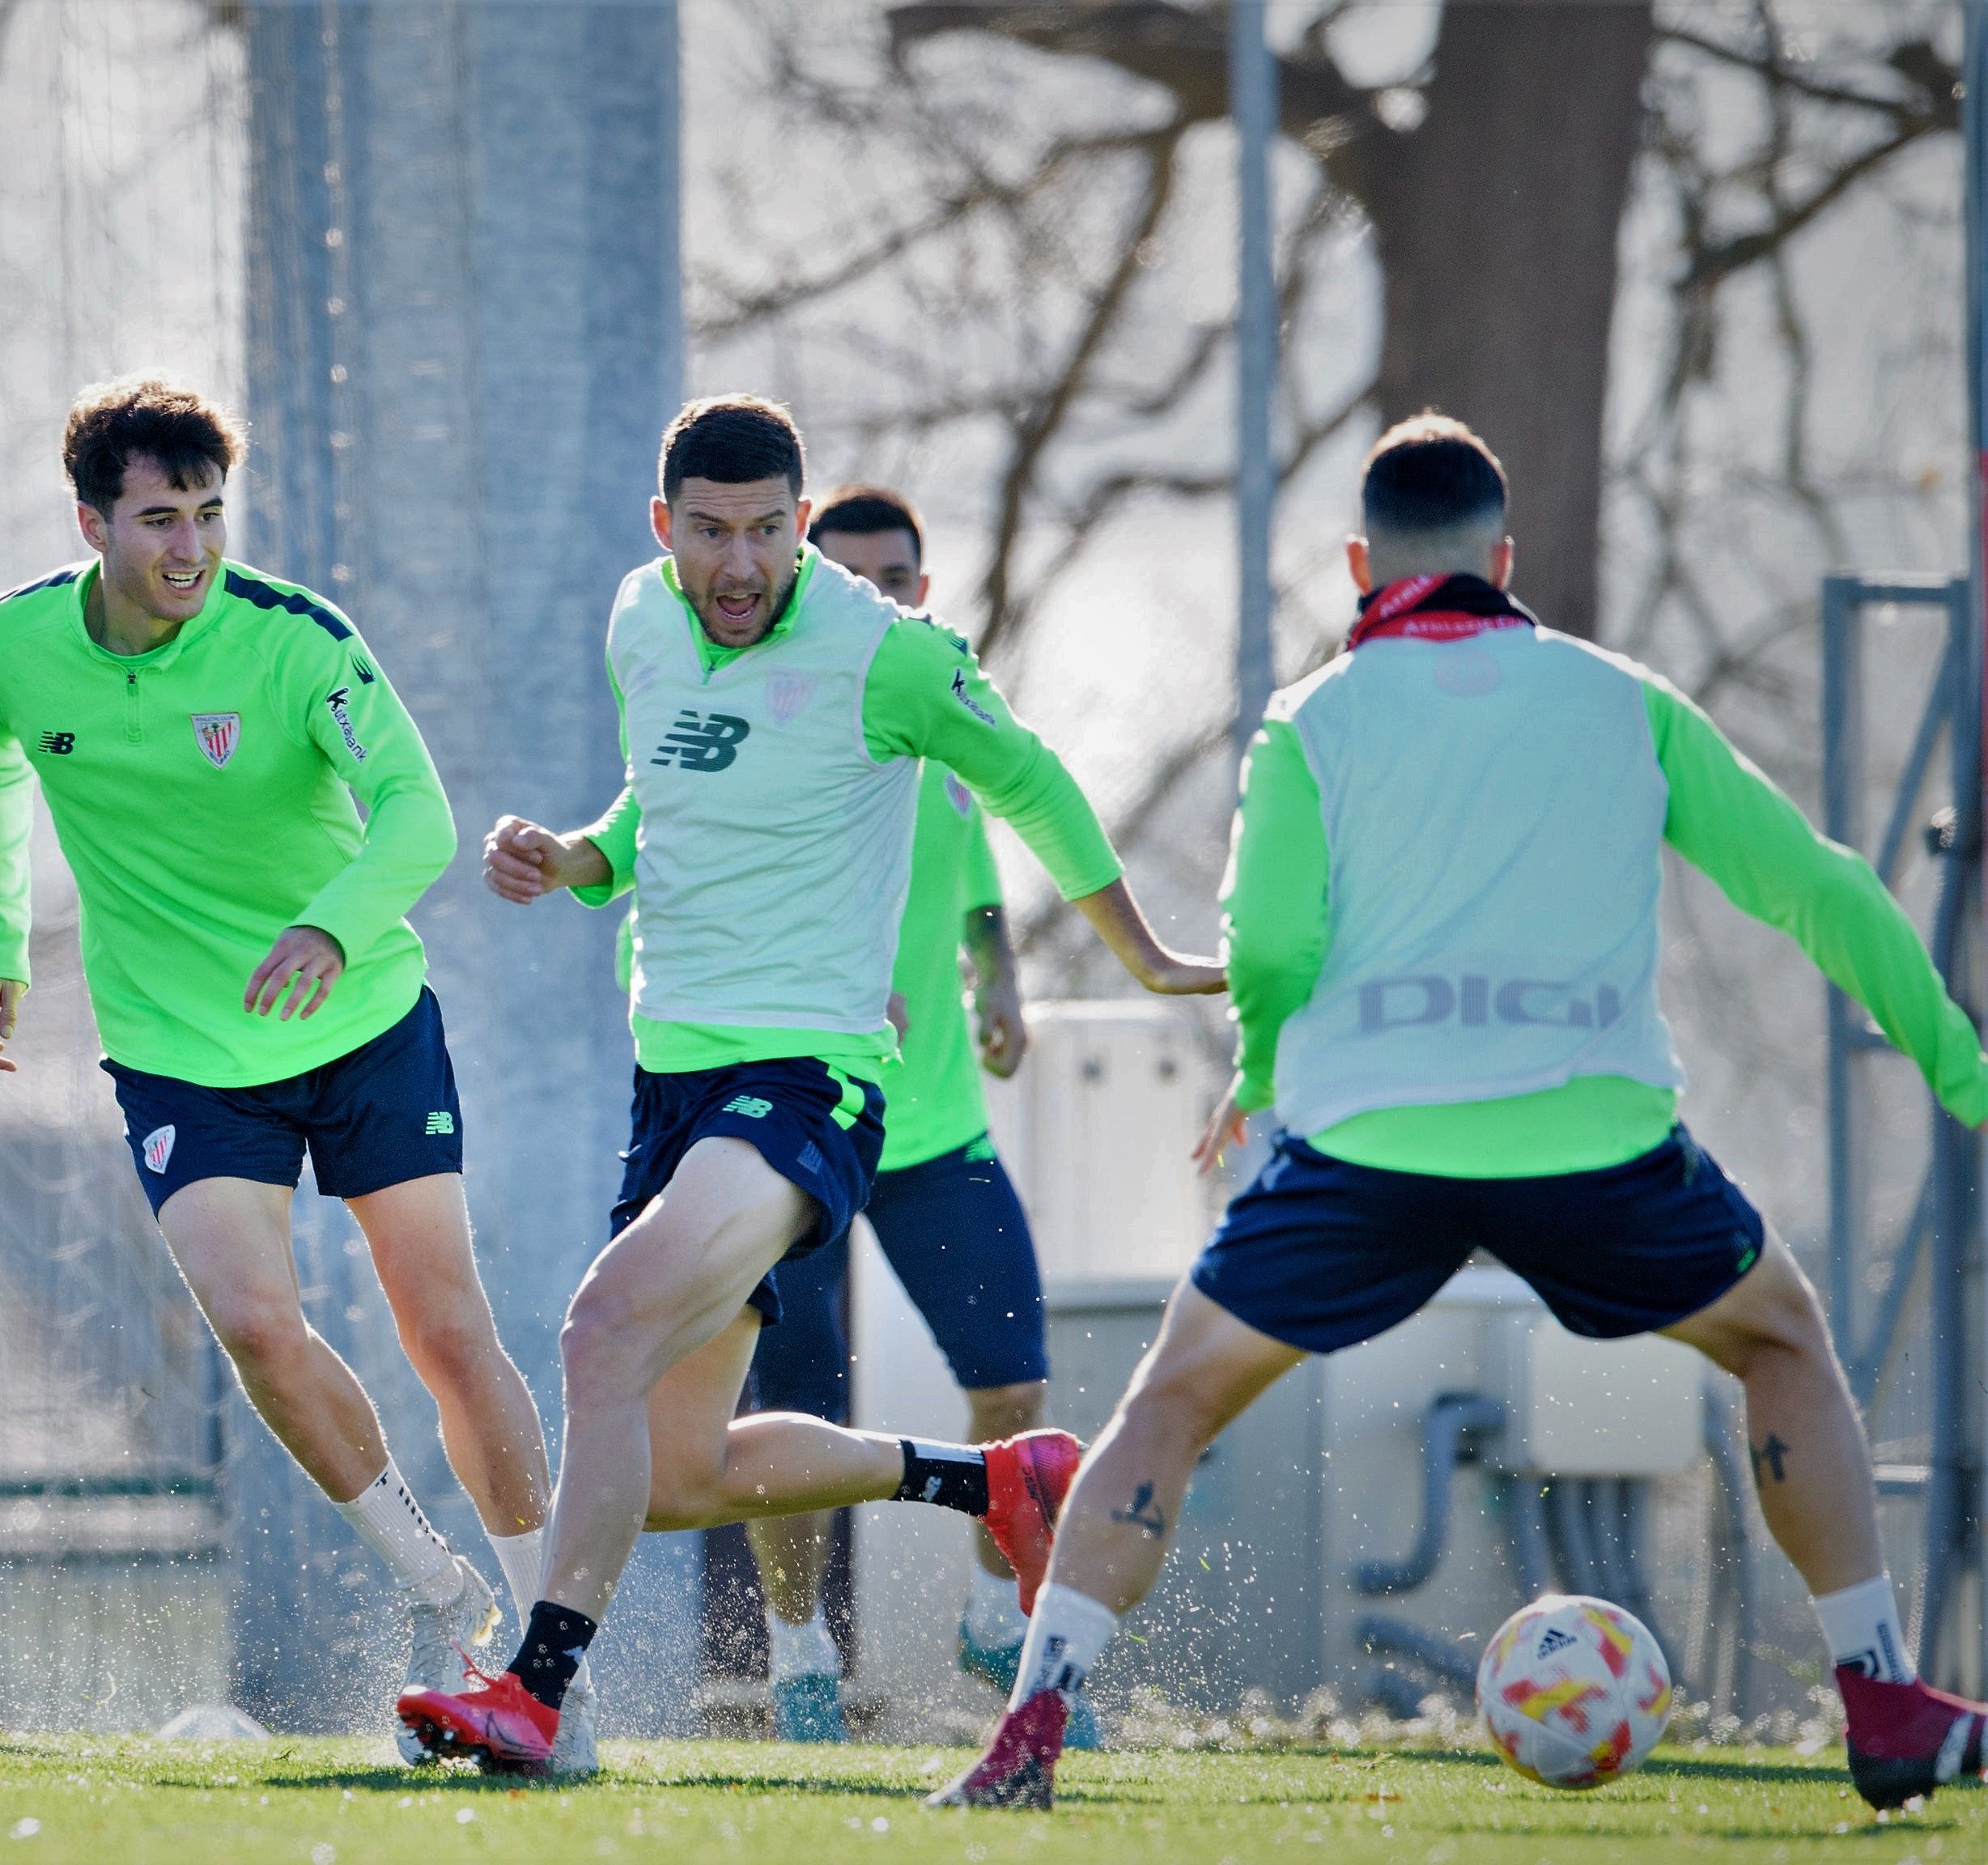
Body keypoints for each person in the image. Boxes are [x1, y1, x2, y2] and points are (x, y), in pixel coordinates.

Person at [934, 414, 1988, 1812]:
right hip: (1595, 1148)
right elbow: (1823, 890)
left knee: (1170, 1406)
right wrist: (1967, 1078)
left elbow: (1274, 952)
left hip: (1365, 1152)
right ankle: (1882, 1702)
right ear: (1506, 557)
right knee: (1781, 1342)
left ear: (1361, 564)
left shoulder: (1313, 722)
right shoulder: (1623, 701)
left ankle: (1031, 1733)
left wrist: (1256, 1078)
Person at [401, 396, 1223, 1775]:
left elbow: (1031, 781)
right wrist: (579, 860)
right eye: (711, 534)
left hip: (804, 1085)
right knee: (677, 1477)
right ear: (664, 530)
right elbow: (658, 801)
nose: (740, 566)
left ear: (799, 522)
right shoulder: (638, 624)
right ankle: (989, 1481)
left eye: (769, 533)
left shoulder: (884, 654)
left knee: (600, 1330)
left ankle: (537, 1695)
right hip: (671, 1091)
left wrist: (1140, 953)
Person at [0, 375, 552, 1752]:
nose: (191, 549)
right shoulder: (12, 647)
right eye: (161, 518)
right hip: (175, 1054)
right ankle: (437, 1586)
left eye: (211, 515)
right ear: (92, 519)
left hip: (360, 1024)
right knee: (260, 1332)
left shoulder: (294, 642)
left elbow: (419, 814)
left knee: (445, 1329)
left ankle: (541, 1649)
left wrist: (331, 927)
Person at [734, 486, 1089, 1746]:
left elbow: (978, 883)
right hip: (814, 1124)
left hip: (936, 1132)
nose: (877, 597)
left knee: (1019, 1392)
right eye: (852, 577)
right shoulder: (776, 725)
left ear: (924, 591)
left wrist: (998, 985)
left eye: (897, 576)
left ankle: (996, 1633)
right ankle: (797, 1658)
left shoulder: (941, 725)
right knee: (799, 1405)